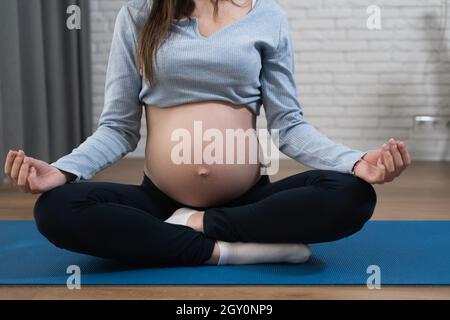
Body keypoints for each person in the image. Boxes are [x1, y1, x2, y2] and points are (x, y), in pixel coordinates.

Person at [3, 0, 410, 267]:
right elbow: (118, 129)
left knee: (352, 196)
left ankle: (197, 226)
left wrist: (355, 162)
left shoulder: (268, 16)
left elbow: (289, 127)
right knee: (55, 210)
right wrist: (64, 170)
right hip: (159, 200)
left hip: (248, 198)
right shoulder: (139, 14)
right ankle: (228, 249)